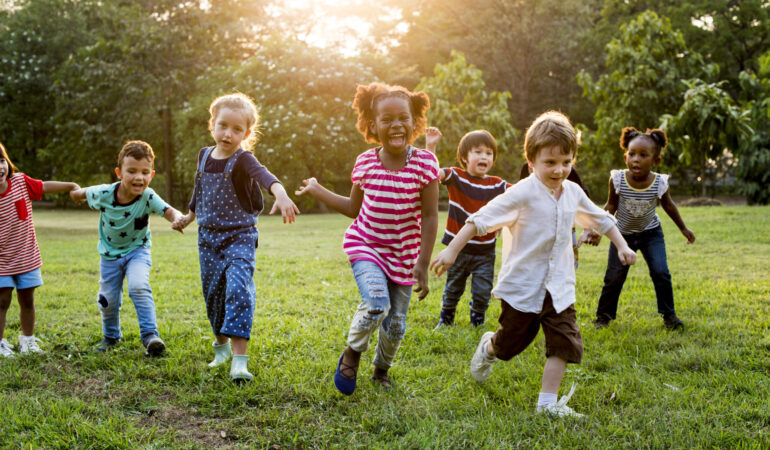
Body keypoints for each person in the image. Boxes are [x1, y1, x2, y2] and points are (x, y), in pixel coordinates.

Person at [431, 111, 637, 417]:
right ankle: (489, 347)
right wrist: (451, 252)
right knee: (509, 345)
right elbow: (479, 221)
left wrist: (622, 245)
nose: (559, 170)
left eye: (566, 162)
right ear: (531, 162)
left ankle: (547, 404)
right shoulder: (521, 193)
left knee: (565, 341)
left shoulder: (573, 193)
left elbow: (600, 219)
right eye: (550, 163)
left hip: (559, 286)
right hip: (524, 287)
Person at [296, 82, 439, 395]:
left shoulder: (426, 165)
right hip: (367, 245)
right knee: (376, 304)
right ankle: (352, 354)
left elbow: (429, 217)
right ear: (373, 126)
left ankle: (381, 369)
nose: (396, 125)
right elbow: (352, 208)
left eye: (403, 118)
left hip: (404, 254)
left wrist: (422, 262)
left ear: (415, 122)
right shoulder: (365, 163)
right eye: (386, 120)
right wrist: (318, 190)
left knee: (397, 323)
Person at [172, 92, 299, 382]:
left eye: (237, 129)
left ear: (247, 133)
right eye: (223, 125)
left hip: (240, 237)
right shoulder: (204, 155)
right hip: (207, 240)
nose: (228, 134)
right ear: (212, 124)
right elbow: (199, 191)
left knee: (238, 289)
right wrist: (189, 217)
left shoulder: (243, 159)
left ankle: (240, 362)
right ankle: (222, 350)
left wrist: (280, 193)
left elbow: (265, 176)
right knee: (213, 294)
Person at [70, 140, 183, 356]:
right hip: (109, 255)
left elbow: (169, 211)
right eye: (131, 171)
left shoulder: (148, 196)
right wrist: (75, 195)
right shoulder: (104, 193)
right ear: (119, 173)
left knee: (139, 286)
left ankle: (150, 336)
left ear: (151, 175)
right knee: (107, 300)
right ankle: (111, 336)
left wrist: (177, 219)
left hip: (137, 252)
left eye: (144, 172)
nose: (138, 177)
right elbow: (81, 192)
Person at [588, 127, 695, 330]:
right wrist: (597, 229)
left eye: (643, 155)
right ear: (626, 156)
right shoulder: (617, 179)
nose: (636, 159)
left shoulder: (659, 182)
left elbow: (669, 205)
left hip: (651, 234)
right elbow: (610, 206)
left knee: (660, 272)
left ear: (655, 161)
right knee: (613, 277)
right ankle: (603, 317)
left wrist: (684, 228)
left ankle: (669, 316)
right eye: (632, 154)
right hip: (622, 236)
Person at [424, 127, 510, 328]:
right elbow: (431, 174)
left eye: (489, 153)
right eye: (478, 152)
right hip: (457, 250)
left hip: (485, 252)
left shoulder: (497, 185)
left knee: (482, 290)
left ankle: (477, 322)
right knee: (453, 288)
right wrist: (431, 146)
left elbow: (521, 195)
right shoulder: (456, 176)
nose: (484, 157)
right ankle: (446, 321)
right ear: (464, 157)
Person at [0, 142, 79, 357]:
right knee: (2, 300)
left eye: (0, 161)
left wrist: (71, 185)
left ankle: (27, 340)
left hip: (26, 256)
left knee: (27, 299)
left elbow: (44, 186)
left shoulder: (20, 182)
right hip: (1, 261)